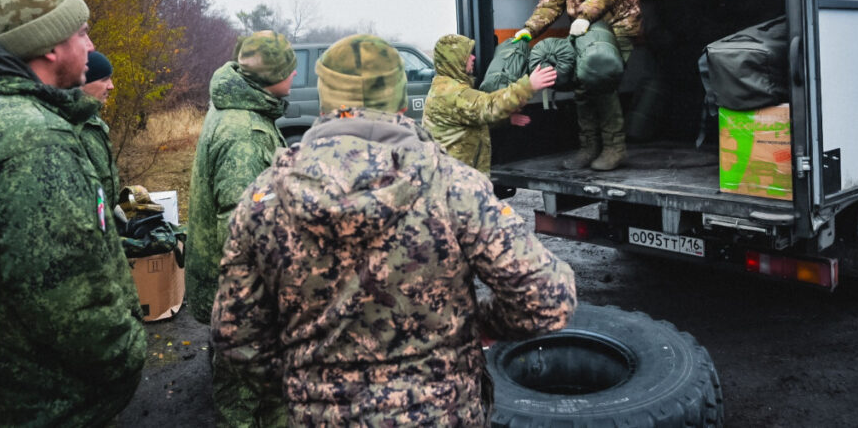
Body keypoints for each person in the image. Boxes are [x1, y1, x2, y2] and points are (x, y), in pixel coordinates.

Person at [211, 34, 576, 425]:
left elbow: (235, 336)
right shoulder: (454, 186)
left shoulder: (263, 199)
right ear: (402, 103)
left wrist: (303, 383)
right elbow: (548, 296)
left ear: (326, 103)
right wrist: (481, 325)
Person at [0, 0, 146, 425]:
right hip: (46, 400)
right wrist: (127, 353)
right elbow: (66, 293)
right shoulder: (31, 137)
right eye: (81, 32)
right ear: (49, 49)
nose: (91, 43)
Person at [184, 29, 296, 427]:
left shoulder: (243, 110)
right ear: (271, 76)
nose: (296, 76)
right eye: (290, 69)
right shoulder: (244, 133)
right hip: (241, 298)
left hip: (230, 292)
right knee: (244, 400)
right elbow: (240, 230)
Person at [514, 0, 642, 171]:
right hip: (585, 30)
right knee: (582, 88)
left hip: (617, 27)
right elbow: (550, 3)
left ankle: (614, 148)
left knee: (601, 80)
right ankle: (588, 148)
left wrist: (585, 14)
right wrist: (529, 29)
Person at [423, 33, 557, 174]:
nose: (473, 57)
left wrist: (506, 120)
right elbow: (490, 105)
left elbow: (474, 116)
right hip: (454, 181)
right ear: (455, 59)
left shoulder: (444, 86)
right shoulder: (453, 93)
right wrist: (529, 85)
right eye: (467, 55)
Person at [79, 50, 119, 204]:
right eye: (104, 79)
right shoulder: (71, 126)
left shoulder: (95, 121)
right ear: (83, 82)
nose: (111, 86)